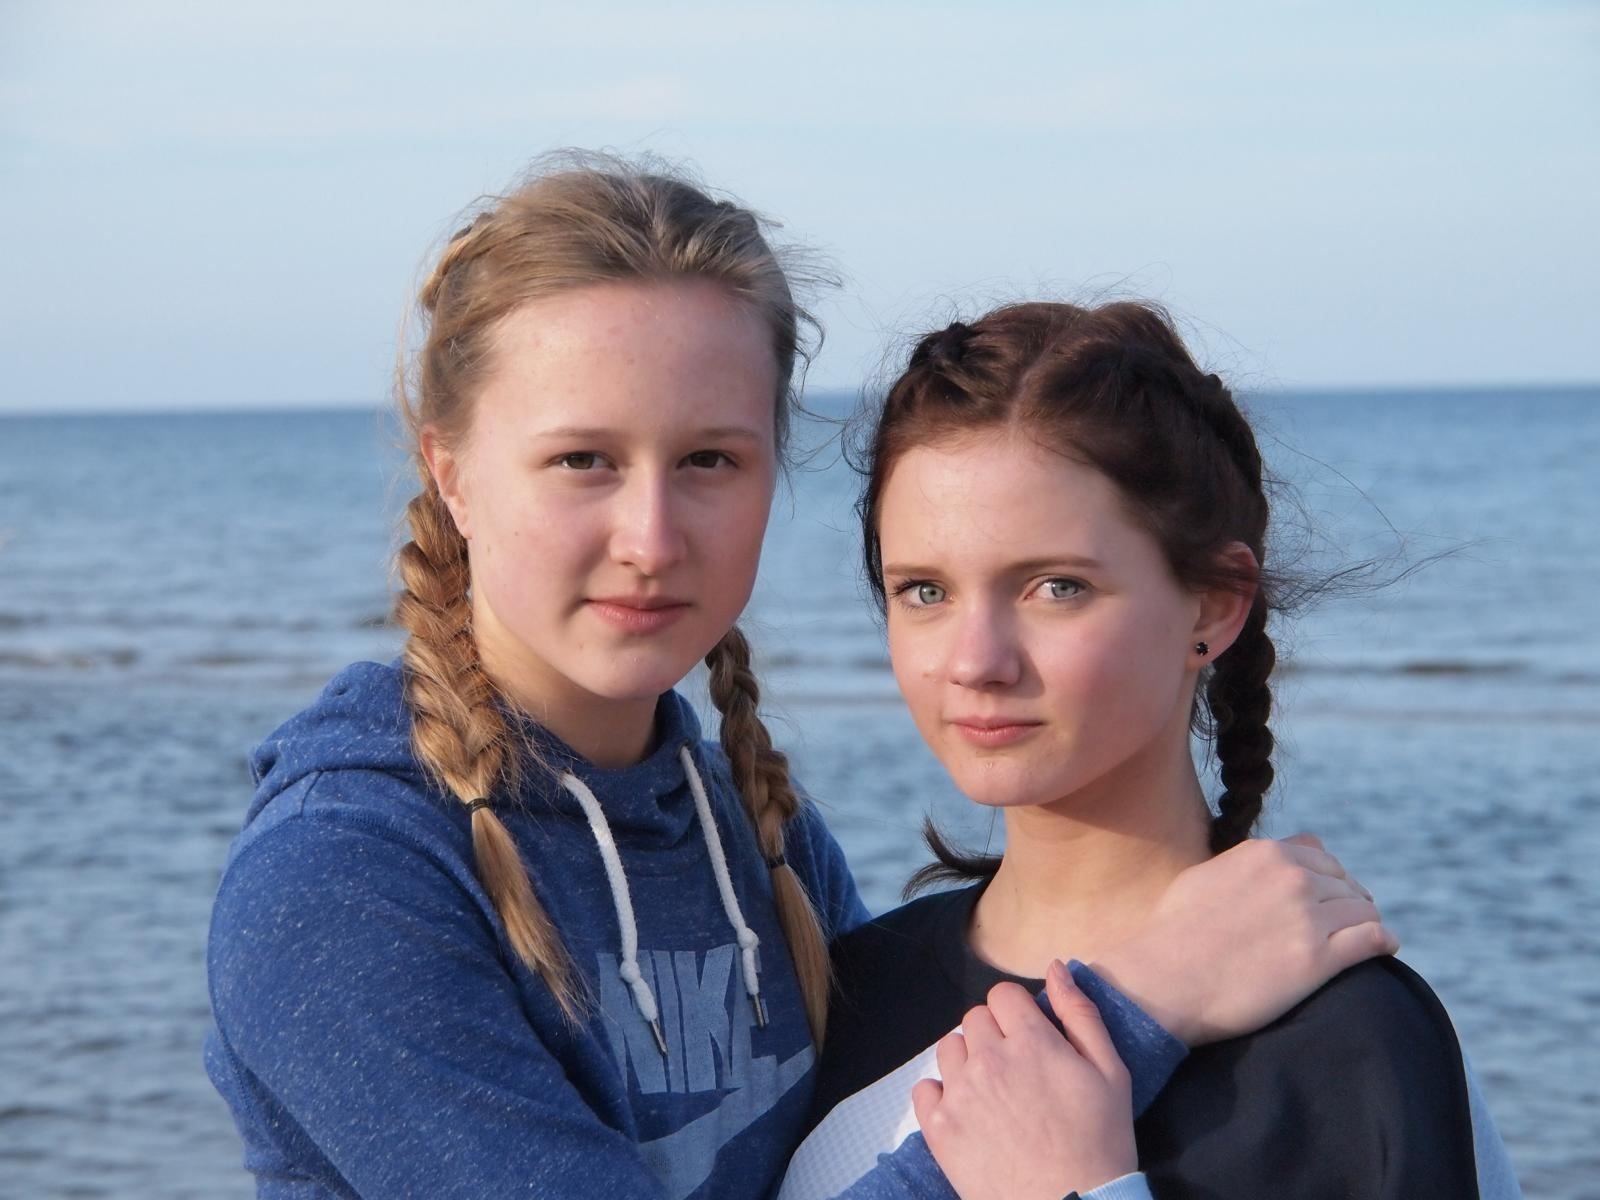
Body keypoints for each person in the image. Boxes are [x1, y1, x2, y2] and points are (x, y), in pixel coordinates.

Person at [204, 156, 1396, 1200]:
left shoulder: (753, 834)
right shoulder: (343, 874)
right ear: (453, 473)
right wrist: (1141, 1005)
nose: (652, 539)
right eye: (582, 461)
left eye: (709, 461)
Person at [788, 301, 1522, 1199]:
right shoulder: (843, 995)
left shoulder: (1350, 1041)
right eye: (925, 591)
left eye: (1057, 586)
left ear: (1214, 602)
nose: (975, 662)